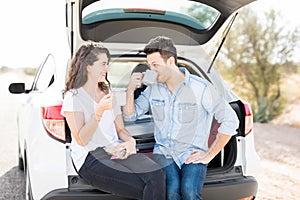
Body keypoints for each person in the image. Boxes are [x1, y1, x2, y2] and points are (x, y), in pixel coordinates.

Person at [123, 36, 239, 200]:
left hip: (192, 152)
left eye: (155, 65)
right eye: (150, 65)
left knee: (189, 191)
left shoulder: (201, 88)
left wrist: (209, 155)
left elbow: (231, 120)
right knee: (172, 190)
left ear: (170, 62)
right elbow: (130, 115)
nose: (151, 70)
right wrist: (130, 90)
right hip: (164, 152)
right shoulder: (152, 89)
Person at [61, 42, 165, 200]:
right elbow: (81, 140)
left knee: (157, 175)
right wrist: (100, 110)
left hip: (116, 151)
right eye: (103, 64)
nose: (107, 69)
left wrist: (130, 141)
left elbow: (120, 130)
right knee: (145, 187)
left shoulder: (109, 92)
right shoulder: (74, 97)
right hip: (90, 157)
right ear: (88, 66)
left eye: (107, 64)